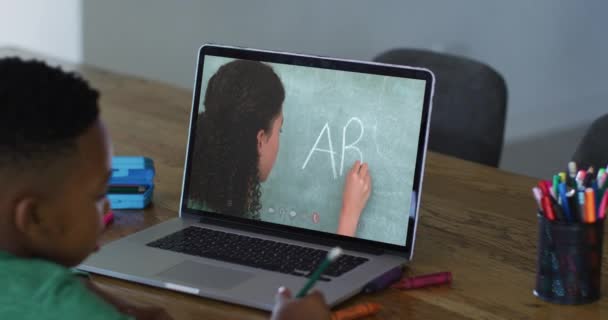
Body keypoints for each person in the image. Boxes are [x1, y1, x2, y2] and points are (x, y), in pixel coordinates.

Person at [0, 57, 330, 320]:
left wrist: (83, 289)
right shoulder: (60, 306)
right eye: (98, 195)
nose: (107, 210)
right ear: (35, 217)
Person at [189, 60, 372, 236]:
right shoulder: (235, 226)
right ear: (260, 140)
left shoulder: (195, 206)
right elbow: (325, 270)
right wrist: (349, 215)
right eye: (280, 130)